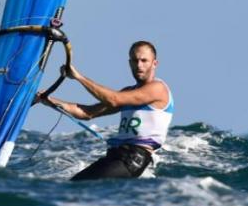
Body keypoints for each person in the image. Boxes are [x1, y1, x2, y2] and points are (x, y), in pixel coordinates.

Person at [36, 41, 173, 180]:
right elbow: (87, 113)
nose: (139, 65)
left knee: (79, 188)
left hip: (132, 159)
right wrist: (48, 100)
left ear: (154, 63)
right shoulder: (128, 93)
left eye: (144, 61)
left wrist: (79, 77)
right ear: (129, 62)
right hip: (116, 157)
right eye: (135, 60)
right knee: (73, 184)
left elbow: (114, 99)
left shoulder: (158, 88)